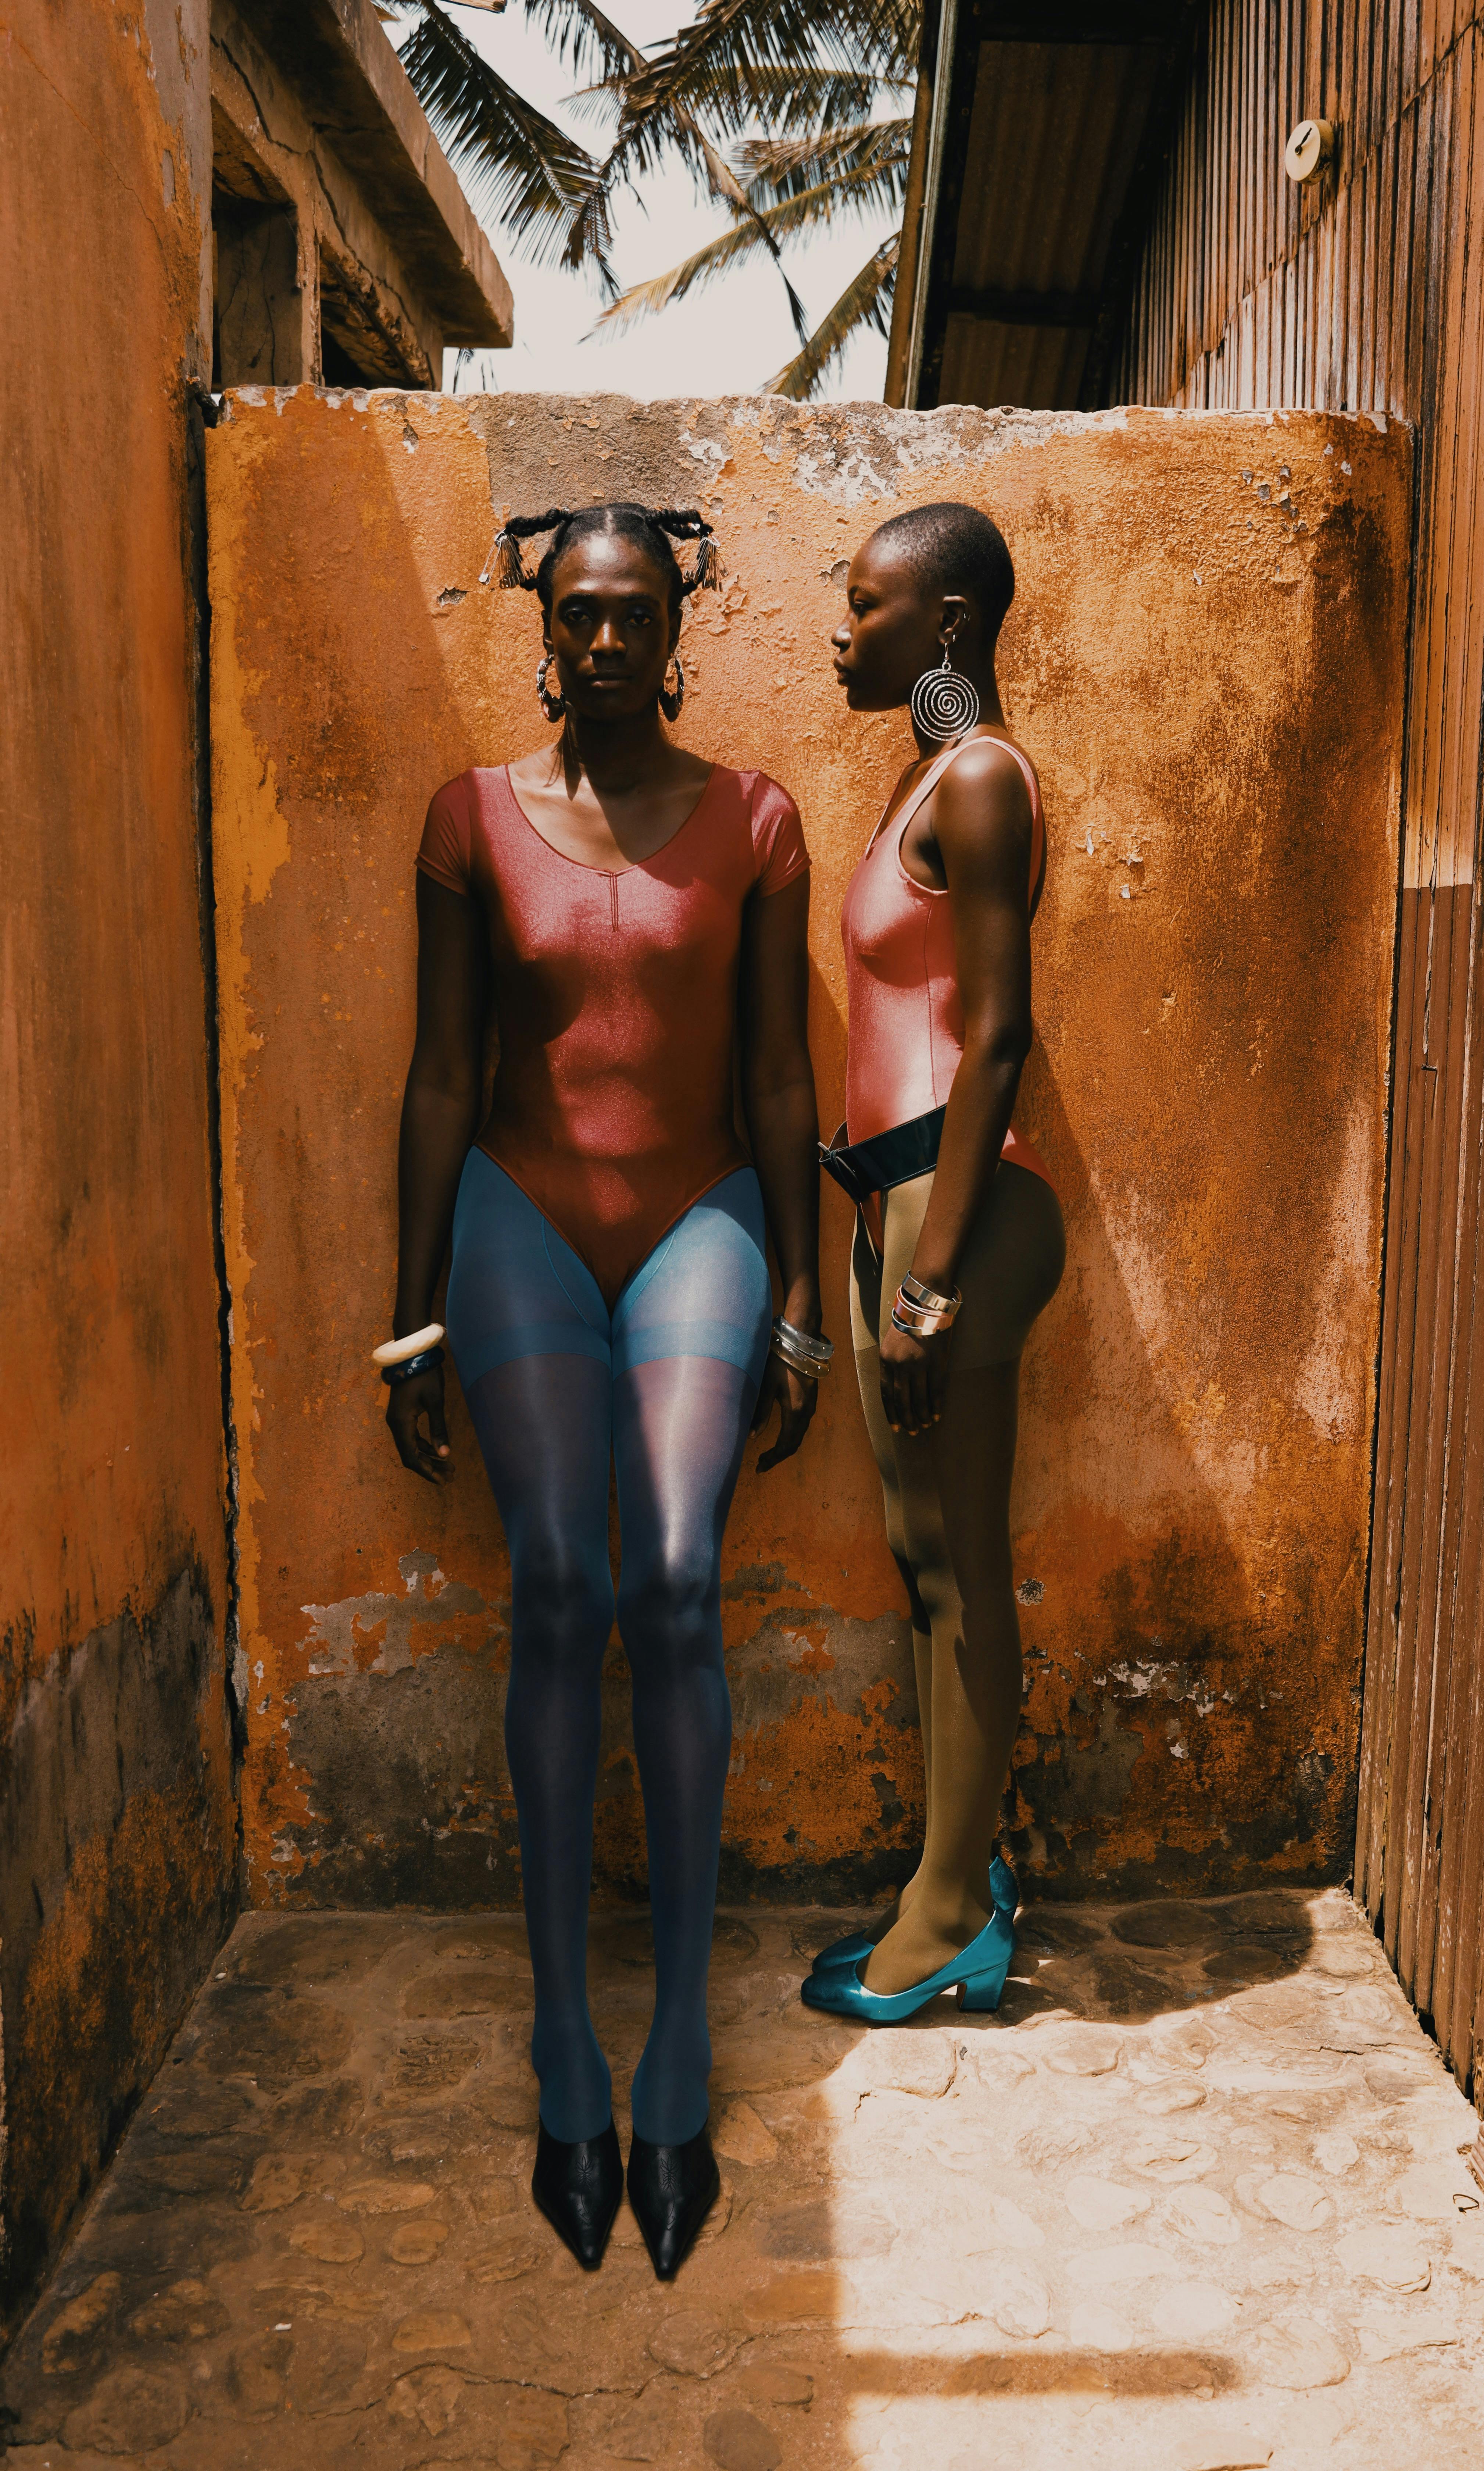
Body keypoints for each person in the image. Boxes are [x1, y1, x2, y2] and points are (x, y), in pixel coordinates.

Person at [379, 501, 827, 2278]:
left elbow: (785, 1084)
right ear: (542, 624)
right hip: (517, 1217)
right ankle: (568, 2055)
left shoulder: (761, 821)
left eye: (637, 611)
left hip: (701, 1215)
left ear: (677, 616)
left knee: (676, 1583)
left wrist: (796, 1301)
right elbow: (437, 1079)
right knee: (559, 1583)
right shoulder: (471, 818)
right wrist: (408, 1315)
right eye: (580, 612)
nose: (609, 639)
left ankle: (679, 2058)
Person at [804, 502, 1065, 2025]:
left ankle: (953, 1912)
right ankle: (946, 1879)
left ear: (947, 622)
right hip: (894, 1209)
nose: (843, 634)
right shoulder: (929, 772)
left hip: (948, 1219)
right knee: (922, 1565)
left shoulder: (979, 778)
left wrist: (927, 1282)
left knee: (958, 1567)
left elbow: (996, 1033)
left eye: (865, 607)